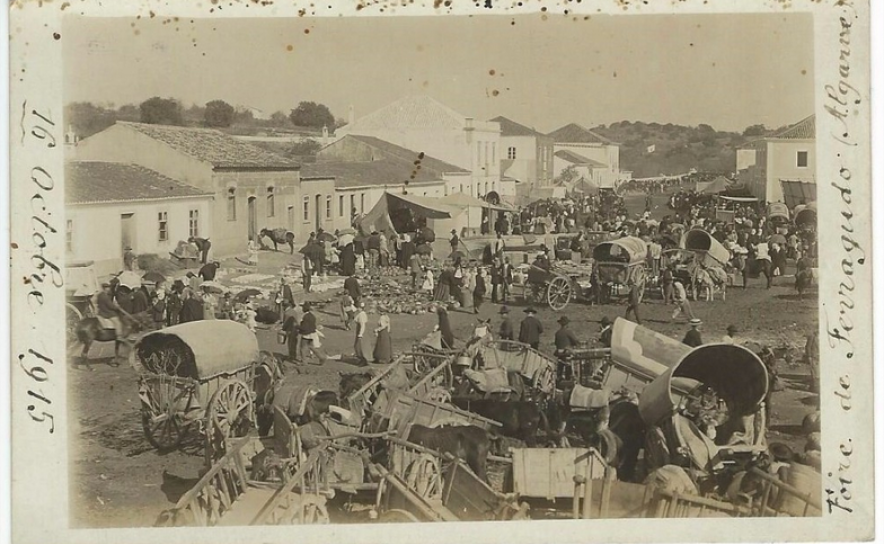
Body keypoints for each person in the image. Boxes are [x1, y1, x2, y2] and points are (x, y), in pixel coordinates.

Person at [554, 316, 580, 381]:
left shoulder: (557, 333)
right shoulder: (568, 332)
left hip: (559, 352)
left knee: (560, 364)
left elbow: (556, 343)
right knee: (569, 362)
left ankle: (559, 377)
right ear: (567, 324)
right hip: (566, 353)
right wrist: (575, 344)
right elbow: (575, 341)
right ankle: (568, 378)